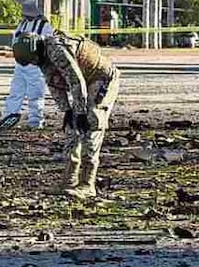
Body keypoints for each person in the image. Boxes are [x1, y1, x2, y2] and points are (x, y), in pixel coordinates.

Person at [13, 32, 121, 199]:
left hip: (101, 78)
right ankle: (69, 180)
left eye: (33, 60)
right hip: (84, 82)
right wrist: (67, 111)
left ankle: (87, 184)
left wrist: (80, 112)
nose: (34, 64)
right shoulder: (41, 58)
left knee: (92, 122)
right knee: (72, 127)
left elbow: (75, 80)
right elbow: (53, 83)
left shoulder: (57, 50)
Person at [2, 0, 54, 129]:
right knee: (15, 92)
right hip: (21, 65)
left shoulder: (44, 25)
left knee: (35, 94)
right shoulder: (23, 24)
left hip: (35, 66)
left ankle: (36, 121)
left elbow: (48, 43)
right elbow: (16, 40)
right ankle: (9, 116)